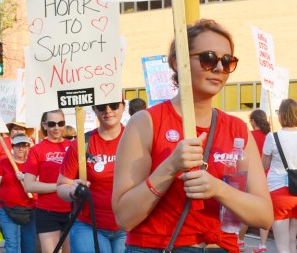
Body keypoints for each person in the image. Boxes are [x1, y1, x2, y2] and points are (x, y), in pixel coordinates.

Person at [112, 19, 273, 253]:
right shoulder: (146, 122)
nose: (219, 68)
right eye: (209, 58)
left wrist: (218, 189)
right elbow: (124, 217)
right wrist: (170, 167)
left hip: (219, 247)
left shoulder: (237, 129)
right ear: (178, 62)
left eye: (228, 61)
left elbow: (264, 215)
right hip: (157, 247)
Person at [57, 99, 127, 253]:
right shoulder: (81, 143)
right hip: (88, 225)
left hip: (129, 226)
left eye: (114, 105)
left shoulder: (136, 139)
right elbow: (62, 186)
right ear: (94, 109)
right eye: (102, 106)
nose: (108, 110)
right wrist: (72, 191)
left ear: (123, 106)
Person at [24, 110, 72, 253]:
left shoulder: (73, 146)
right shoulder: (36, 150)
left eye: (60, 123)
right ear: (44, 125)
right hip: (47, 211)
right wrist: (60, 187)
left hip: (73, 210)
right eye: (52, 124)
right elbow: (29, 185)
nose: (56, 127)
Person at [0, 122, 34, 253]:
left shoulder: (34, 162)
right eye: (18, 146)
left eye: (24, 145)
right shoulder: (4, 163)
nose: (21, 149)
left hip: (31, 210)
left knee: (29, 246)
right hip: (7, 210)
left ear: (29, 147)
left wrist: (26, 178)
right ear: (12, 147)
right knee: (12, 244)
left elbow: (40, 182)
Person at [262, 98, 297, 253]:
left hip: (279, 191)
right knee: (292, 243)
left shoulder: (272, 137)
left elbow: (264, 165)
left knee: (282, 246)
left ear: (281, 116)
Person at [238, 109, 271, 252]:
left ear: (253, 121)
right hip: (269, 178)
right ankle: (263, 245)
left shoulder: (249, 136)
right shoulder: (270, 136)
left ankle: (240, 240)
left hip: (252, 178)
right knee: (265, 211)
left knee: (247, 210)